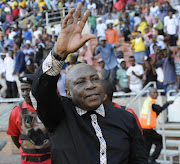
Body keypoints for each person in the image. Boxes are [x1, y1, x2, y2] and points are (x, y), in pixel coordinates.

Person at [32, 3, 147, 164]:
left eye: (94, 79)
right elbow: (41, 92)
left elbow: (139, 159)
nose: (91, 85)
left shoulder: (126, 118)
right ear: (69, 92)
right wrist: (59, 53)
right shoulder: (58, 116)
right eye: (80, 82)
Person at [7, 74, 51, 164]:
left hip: (49, 160)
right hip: (28, 161)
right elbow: (14, 136)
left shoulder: (48, 108)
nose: (25, 94)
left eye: (28, 89)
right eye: (22, 90)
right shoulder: (16, 111)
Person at [139, 88, 174, 164]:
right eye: (154, 92)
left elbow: (155, 113)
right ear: (150, 93)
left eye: (157, 92)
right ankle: (152, 159)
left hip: (143, 128)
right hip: (148, 129)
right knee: (160, 141)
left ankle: (147, 160)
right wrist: (168, 103)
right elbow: (160, 109)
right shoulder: (152, 103)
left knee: (147, 145)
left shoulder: (147, 101)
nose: (156, 94)